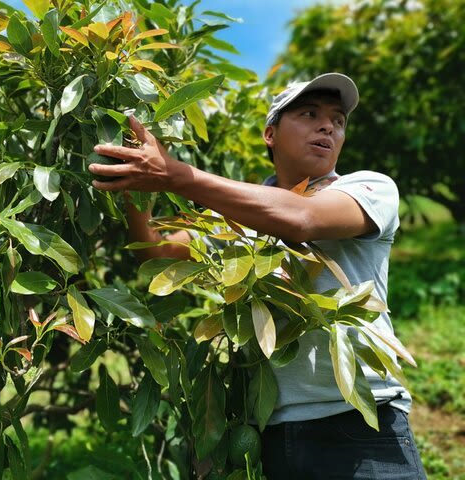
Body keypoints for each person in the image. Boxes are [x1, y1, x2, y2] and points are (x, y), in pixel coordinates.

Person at [89, 73, 427, 479]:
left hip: (362, 425)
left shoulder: (370, 188)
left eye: (338, 120)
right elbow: (159, 252)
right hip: (275, 431)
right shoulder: (238, 219)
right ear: (270, 133)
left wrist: (174, 174)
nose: (328, 126)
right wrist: (134, 185)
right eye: (309, 113)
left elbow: (301, 218)